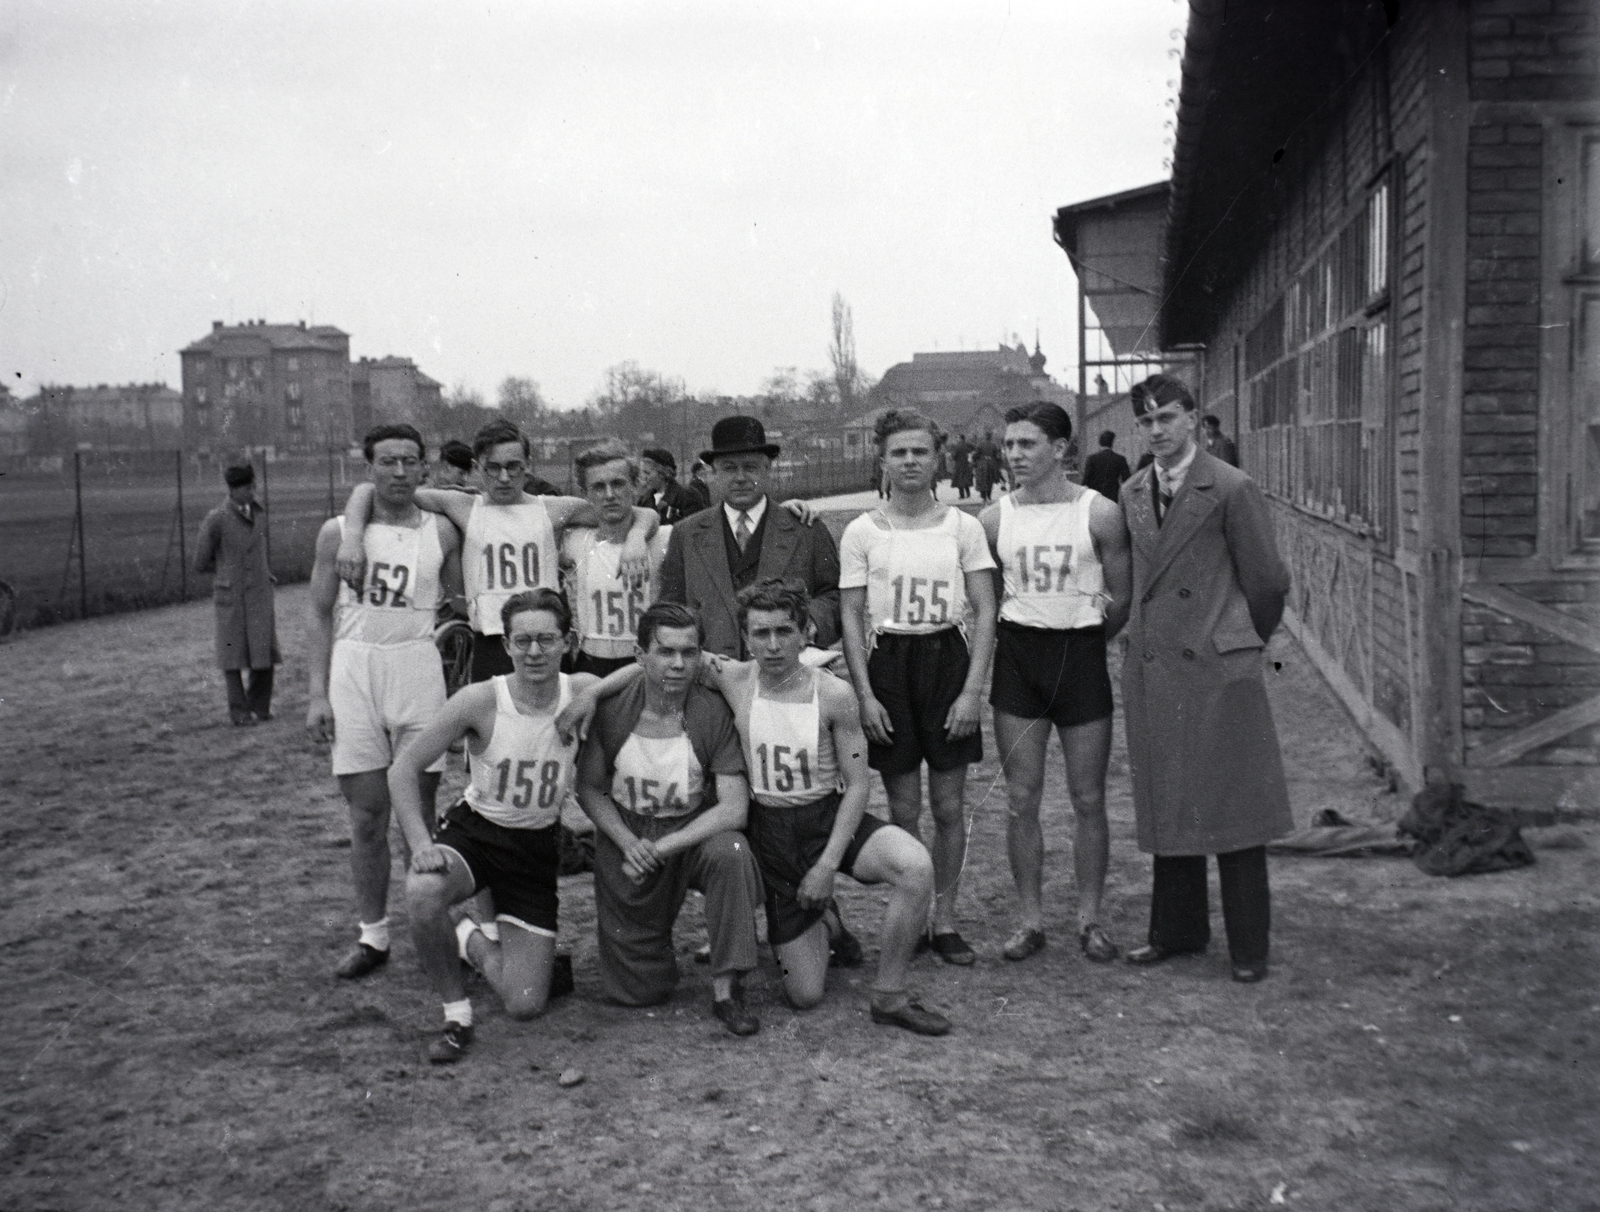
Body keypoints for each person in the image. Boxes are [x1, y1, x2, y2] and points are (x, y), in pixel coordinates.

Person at [563, 580, 951, 1035]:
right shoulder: (735, 677)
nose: (772, 645)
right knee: (804, 994)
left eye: (784, 632)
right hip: (770, 830)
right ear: (745, 639)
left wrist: (827, 864)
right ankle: (825, 923)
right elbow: (658, 663)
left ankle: (889, 994)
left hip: (824, 816)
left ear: (805, 633)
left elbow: (859, 785)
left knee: (915, 866)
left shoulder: (834, 694)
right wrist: (592, 694)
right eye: (760, 634)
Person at [1120, 375, 1291, 983]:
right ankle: (1177, 931)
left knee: (1234, 803)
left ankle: (1249, 947)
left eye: (1167, 417)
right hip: (1158, 667)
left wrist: (1238, 643)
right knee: (1170, 797)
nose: (1157, 430)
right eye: (1146, 421)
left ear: (1194, 419)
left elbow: (1267, 582)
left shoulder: (1230, 486)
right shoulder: (1134, 489)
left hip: (1220, 670)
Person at [387, 589, 596, 1063]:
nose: (534, 651)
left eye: (546, 639)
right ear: (505, 645)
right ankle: (456, 1011)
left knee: (525, 1005)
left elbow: (637, 673)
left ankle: (469, 940)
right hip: (478, 833)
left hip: (536, 848)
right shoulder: (481, 699)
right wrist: (421, 843)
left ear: (568, 641)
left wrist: (598, 691)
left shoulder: (580, 689)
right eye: (521, 641)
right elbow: (403, 770)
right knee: (422, 892)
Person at [305, 424, 465, 979]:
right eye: (387, 462)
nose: (399, 472)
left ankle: (435, 930)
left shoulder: (443, 532)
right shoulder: (337, 534)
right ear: (368, 467)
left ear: (426, 468)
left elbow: (465, 602)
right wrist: (315, 695)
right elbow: (320, 613)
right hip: (355, 669)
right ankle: (373, 937)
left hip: (417, 665)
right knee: (367, 815)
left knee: (418, 815)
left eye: (410, 462)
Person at [838, 410, 997, 964]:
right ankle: (913, 913)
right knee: (904, 808)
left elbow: (985, 607)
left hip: (945, 659)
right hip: (889, 665)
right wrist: (865, 695)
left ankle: (945, 920)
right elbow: (852, 616)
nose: (910, 462)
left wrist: (972, 691)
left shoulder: (962, 527)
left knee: (949, 806)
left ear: (937, 459)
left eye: (920, 452)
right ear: (882, 460)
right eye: (899, 453)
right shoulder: (861, 531)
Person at [980, 402, 1132, 965]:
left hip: (1080, 657)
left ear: (1061, 448)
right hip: (1021, 660)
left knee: (1089, 798)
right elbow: (988, 601)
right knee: (1022, 799)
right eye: (1010, 444)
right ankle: (1030, 920)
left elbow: (1121, 600)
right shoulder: (995, 519)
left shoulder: (1100, 514)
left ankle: (1090, 919)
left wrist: (1085, 636)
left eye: (1027, 444)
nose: (1014, 454)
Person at [337, 419, 657, 683]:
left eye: (514, 467)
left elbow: (635, 513)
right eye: (493, 468)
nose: (504, 477)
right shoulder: (463, 505)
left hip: (545, 641)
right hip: (492, 642)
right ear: (477, 467)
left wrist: (636, 538)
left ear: (528, 466)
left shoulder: (554, 509)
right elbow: (370, 489)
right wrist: (352, 537)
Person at [575, 602, 764, 1035]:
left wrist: (663, 847)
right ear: (640, 655)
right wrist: (627, 842)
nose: (678, 664)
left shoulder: (712, 711)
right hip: (631, 832)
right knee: (637, 993)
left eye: (689, 652)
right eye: (665, 652)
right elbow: (589, 788)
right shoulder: (614, 708)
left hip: (691, 831)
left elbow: (734, 807)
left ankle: (726, 988)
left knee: (731, 852)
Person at [658, 416, 840, 660]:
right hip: (713, 676)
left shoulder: (807, 530)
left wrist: (812, 622)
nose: (741, 477)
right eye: (730, 468)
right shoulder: (686, 534)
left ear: (767, 470)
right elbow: (671, 606)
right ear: (714, 473)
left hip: (787, 673)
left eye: (751, 467)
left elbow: (835, 596)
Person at [562, 440, 671, 678]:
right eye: (598, 487)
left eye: (618, 484)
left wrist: (637, 534)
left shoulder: (664, 539)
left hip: (646, 663)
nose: (610, 495)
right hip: (592, 663)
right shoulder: (575, 541)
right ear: (586, 494)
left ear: (635, 486)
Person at [195, 462, 279, 726]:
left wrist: (262, 573)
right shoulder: (217, 518)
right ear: (233, 490)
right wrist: (228, 575)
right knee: (231, 655)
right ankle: (239, 712)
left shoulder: (260, 513)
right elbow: (201, 562)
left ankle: (260, 707)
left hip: (259, 595)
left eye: (254, 486)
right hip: (231, 598)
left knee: (263, 651)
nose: (253, 492)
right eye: (247, 488)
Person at [639, 447, 704, 524]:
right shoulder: (644, 500)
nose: (644, 477)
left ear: (663, 473)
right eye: (643, 472)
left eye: (647, 473)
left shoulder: (688, 496)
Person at [1081, 430, 1132, 503]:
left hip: (1095, 497)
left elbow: (1085, 480)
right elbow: (1127, 480)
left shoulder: (1092, 459)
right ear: (1112, 443)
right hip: (1113, 497)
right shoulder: (1120, 459)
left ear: (1100, 443)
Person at [973, 430, 1002, 503]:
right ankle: (989, 495)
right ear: (991, 437)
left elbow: (976, 454)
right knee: (990, 480)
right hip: (991, 464)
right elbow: (997, 456)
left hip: (982, 464)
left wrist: (975, 461)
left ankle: (983, 496)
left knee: (982, 480)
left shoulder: (981, 444)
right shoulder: (993, 445)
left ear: (985, 437)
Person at [949, 433, 974, 500]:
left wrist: (952, 455)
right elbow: (972, 451)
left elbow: (954, 457)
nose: (957, 439)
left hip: (959, 465)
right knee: (965, 479)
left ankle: (962, 495)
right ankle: (968, 493)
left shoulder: (957, 446)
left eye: (958, 438)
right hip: (966, 464)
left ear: (961, 439)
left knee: (959, 480)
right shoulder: (967, 445)